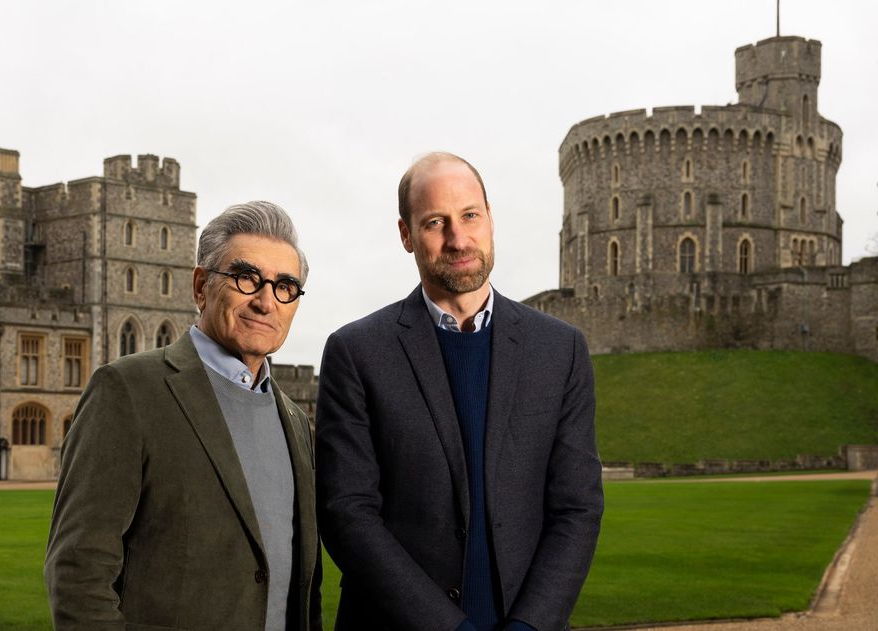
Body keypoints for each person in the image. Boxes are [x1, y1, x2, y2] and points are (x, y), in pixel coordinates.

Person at [316, 153, 603, 631]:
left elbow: (577, 506)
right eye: (435, 222)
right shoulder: (356, 351)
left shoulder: (561, 349)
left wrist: (530, 625)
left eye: (470, 215)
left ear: (490, 218)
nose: (458, 238)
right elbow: (348, 513)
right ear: (407, 235)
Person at [45, 201, 322, 631]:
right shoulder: (128, 390)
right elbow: (79, 573)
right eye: (247, 278)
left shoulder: (295, 421)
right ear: (200, 287)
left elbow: (303, 584)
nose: (266, 301)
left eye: (285, 286)